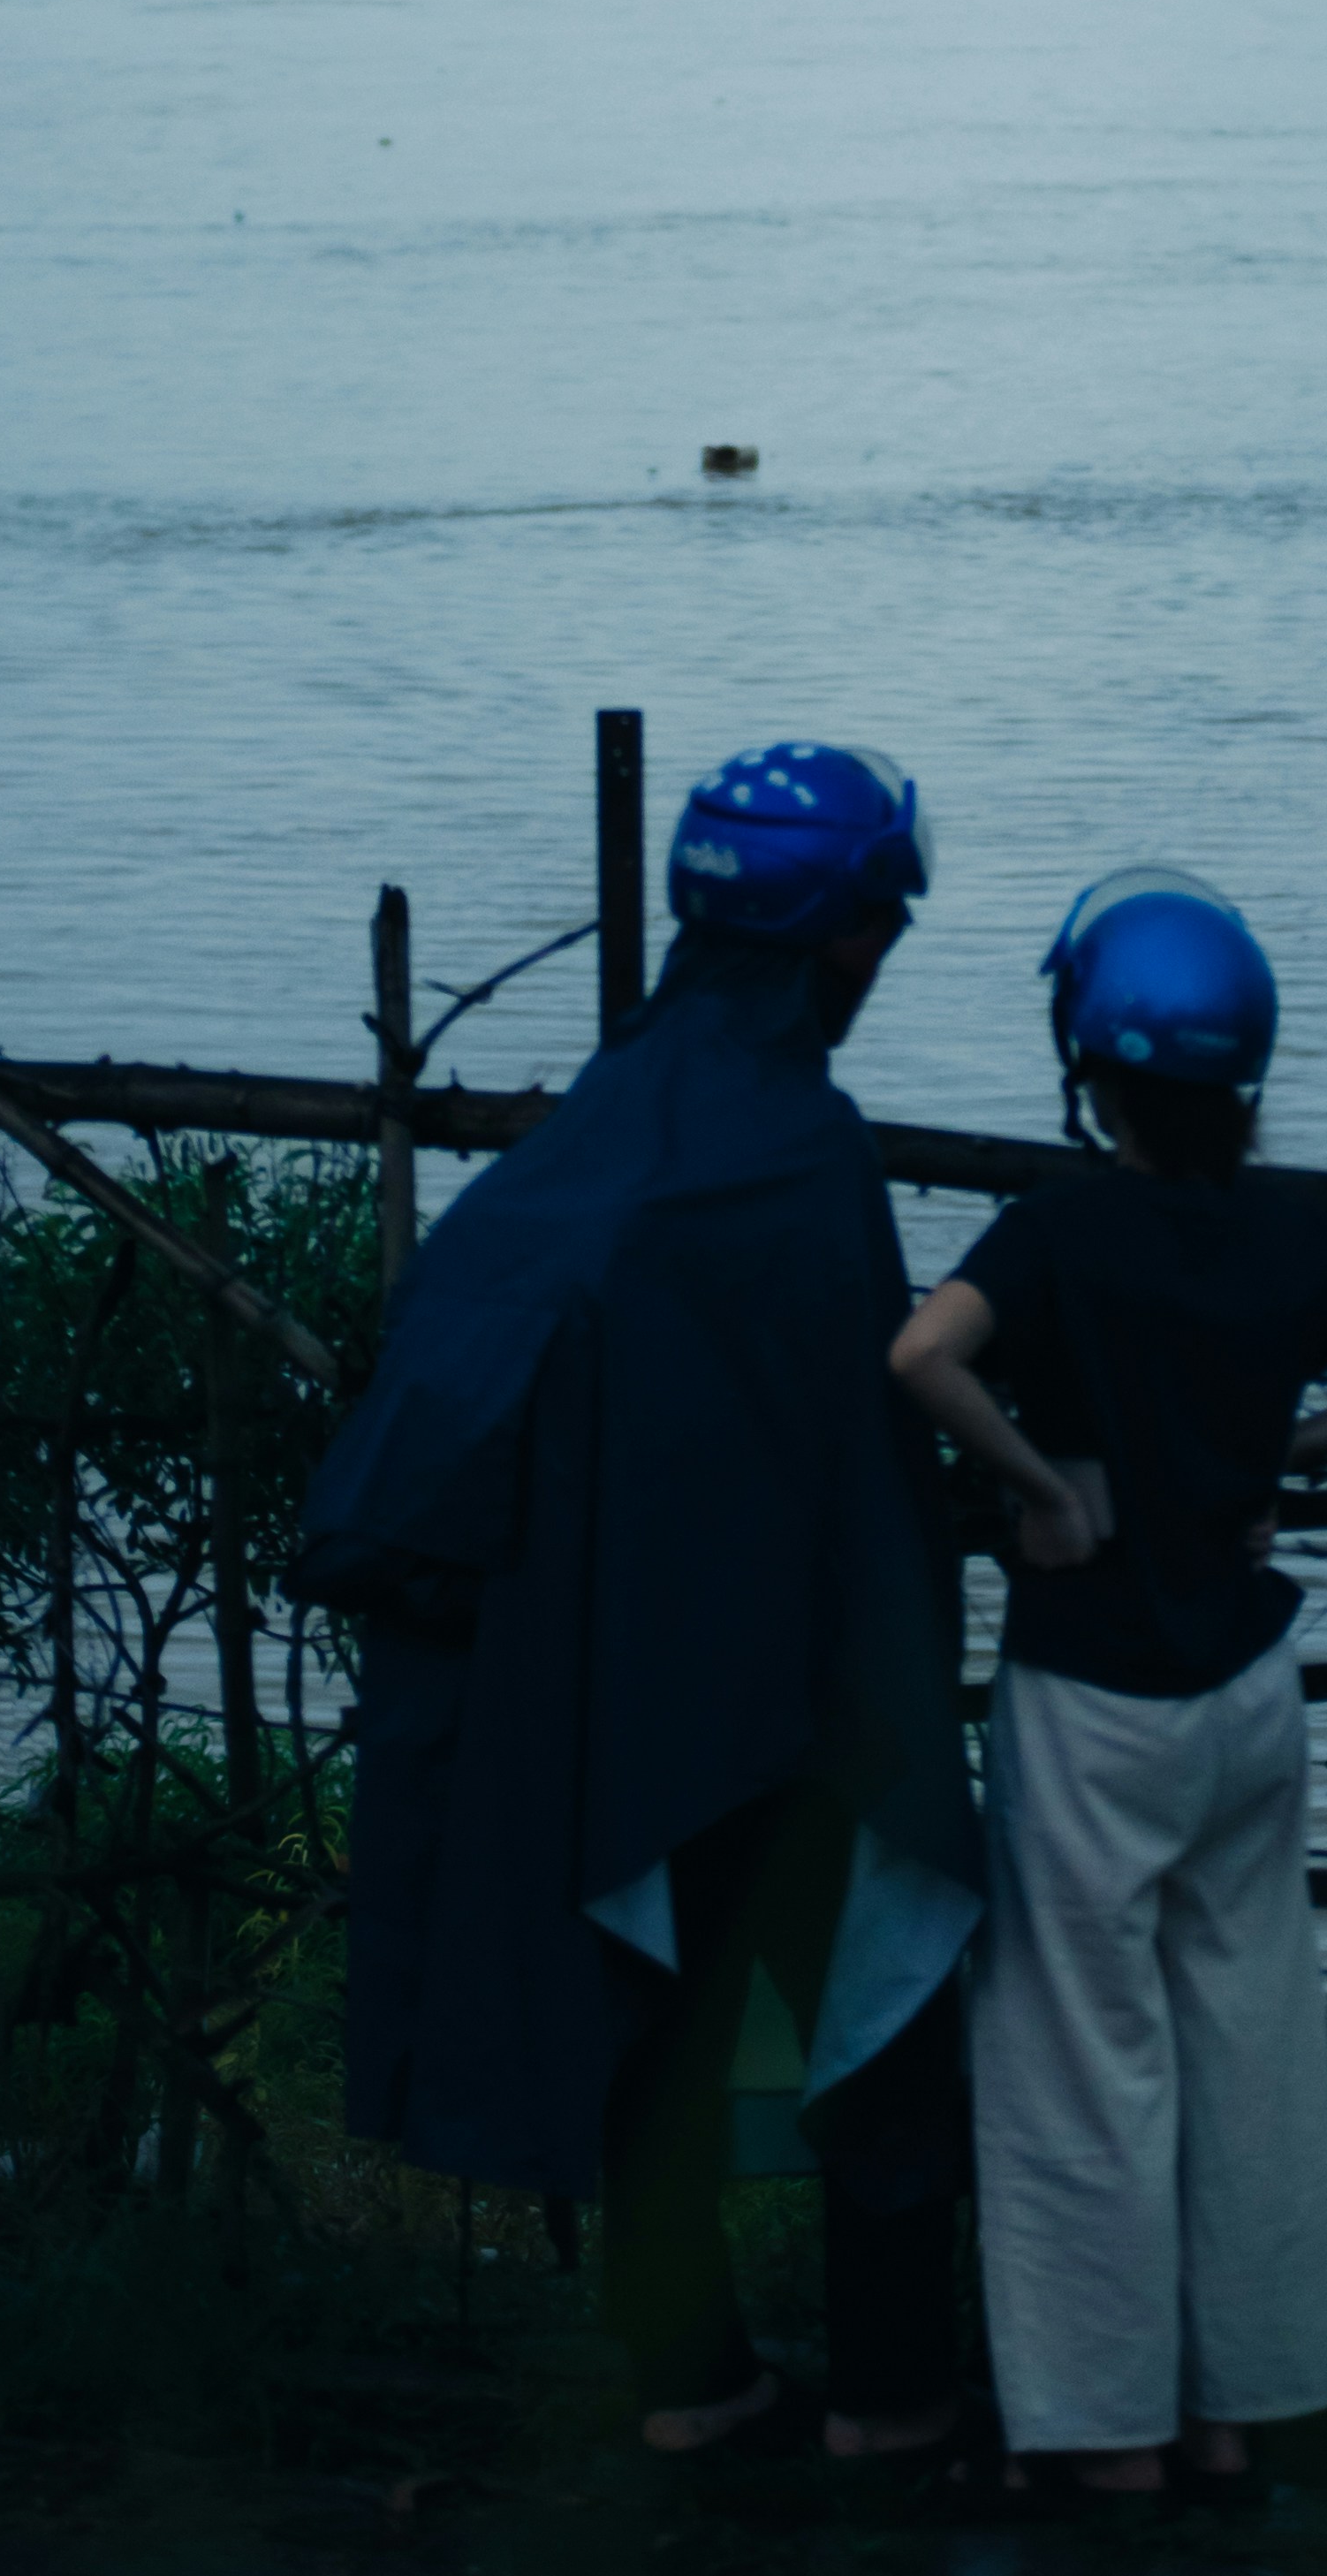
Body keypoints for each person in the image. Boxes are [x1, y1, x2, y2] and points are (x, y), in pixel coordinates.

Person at [291, 743, 981, 2478]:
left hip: (587, 1659)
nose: (884, 950)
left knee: (651, 2012)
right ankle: (895, 2399)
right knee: (882, 2019)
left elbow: (460, 1385)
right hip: (764, 1668)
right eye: (884, 920)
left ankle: (695, 2378)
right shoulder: (799, 1152)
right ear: (843, 938)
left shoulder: (588, 1132)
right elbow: (853, 1447)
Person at [888, 868, 1327, 2510]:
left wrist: (1044, 1482)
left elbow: (919, 1354)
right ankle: (1234, 2412)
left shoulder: (1060, 1224)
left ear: (1087, 1067)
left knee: (1080, 2059)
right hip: (1248, 1690)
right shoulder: (1290, 1238)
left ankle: (1102, 2437)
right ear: (1247, 1074)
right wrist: (1297, 1439)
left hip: (1094, 1699)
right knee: (1245, 2045)